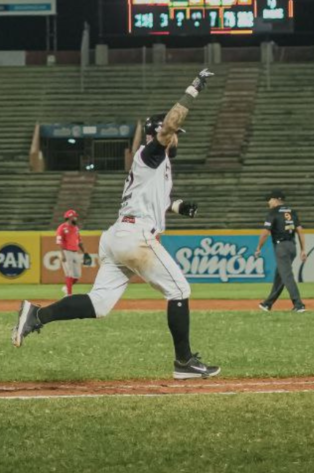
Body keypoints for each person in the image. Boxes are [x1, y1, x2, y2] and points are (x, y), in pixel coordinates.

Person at [12, 69, 220, 380]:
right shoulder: (152, 152)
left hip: (118, 236)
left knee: (98, 304)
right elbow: (172, 123)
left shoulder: (156, 163)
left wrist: (177, 206)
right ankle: (184, 362)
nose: (177, 138)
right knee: (179, 290)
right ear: (158, 134)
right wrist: (194, 88)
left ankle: (37, 315)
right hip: (134, 237)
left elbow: (154, 202)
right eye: (173, 134)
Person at [253, 189, 307, 312]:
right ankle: (268, 303)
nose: (268, 202)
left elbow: (265, 233)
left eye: (270, 199)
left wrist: (258, 247)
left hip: (281, 247)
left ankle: (298, 304)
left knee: (286, 275)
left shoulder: (273, 213)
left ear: (276, 199)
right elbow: (300, 231)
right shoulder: (292, 212)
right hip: (292, 246)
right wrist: (303, 249)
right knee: (280, 275)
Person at [56, 209, 87, 296]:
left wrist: (85, 252)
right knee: (69, 273)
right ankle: (69, 294)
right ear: (69, 217)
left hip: (75, 252)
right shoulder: (62, 227)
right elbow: (59, 242)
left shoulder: (75, 228)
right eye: (74, 217)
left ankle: (66, 288)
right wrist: (62, 254)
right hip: (66, 251)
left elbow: (80, 241)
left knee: (77, 275)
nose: (76, 218)